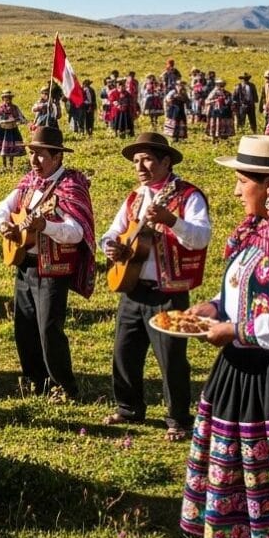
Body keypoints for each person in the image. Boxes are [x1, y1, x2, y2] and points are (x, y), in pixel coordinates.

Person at [181, 135, 269, 538]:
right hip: (244, 369)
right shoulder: (260, 229)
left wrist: (237, 330)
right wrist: (213, 307)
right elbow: (246, 288)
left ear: (268, 184)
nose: (234, 191)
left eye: (241, 180)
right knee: (259, 479)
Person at [99, 132, 211, 440]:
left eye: (147, 159)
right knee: (124, 352)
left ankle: (179, 419)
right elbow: (112, 232)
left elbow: (201, 238)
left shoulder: (188, 195)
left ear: (165, 161)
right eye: (136, 161)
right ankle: (129, 407)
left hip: (168, 291)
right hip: (133, 286)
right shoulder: (135, 197)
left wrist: (171, 220)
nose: (140, 166)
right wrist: (110, 247)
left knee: (171, 358)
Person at [0, 126, 96, 401]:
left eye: (41, 155)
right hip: (26, 262)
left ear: (58, 157)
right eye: (32, 154)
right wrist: (5, 226)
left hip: (53, 267)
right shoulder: (28, 182)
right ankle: (36, 380)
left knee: (49, 327)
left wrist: (46, 225)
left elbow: (77, 232)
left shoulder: (71, 187)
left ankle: (65, 387)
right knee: (24, 325)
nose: (35, 160)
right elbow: (2, 208)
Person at [0, 89, 26, 170]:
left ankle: (11, 164)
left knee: (12, 147)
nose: (7, 99)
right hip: (3, 130)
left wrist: (21, 121)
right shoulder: (0, 108)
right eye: (5, 98)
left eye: (9, 98)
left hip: (12, 129)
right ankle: (4, 165)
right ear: (3, 99)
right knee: (3, 147)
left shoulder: (15, 108)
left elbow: (20, 117)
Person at [203, 78, 234, 144]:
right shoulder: (214, 92)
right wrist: (215, 101)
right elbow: (207, 101)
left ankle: (225, 139)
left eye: (222, 84)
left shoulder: (227, 93)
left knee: (225, 125)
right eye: (220, 84)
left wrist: (229, 103)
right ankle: (215, 139)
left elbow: (231, 101)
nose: (221, 86)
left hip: (225, 112)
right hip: (216, 112)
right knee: (216, 125)